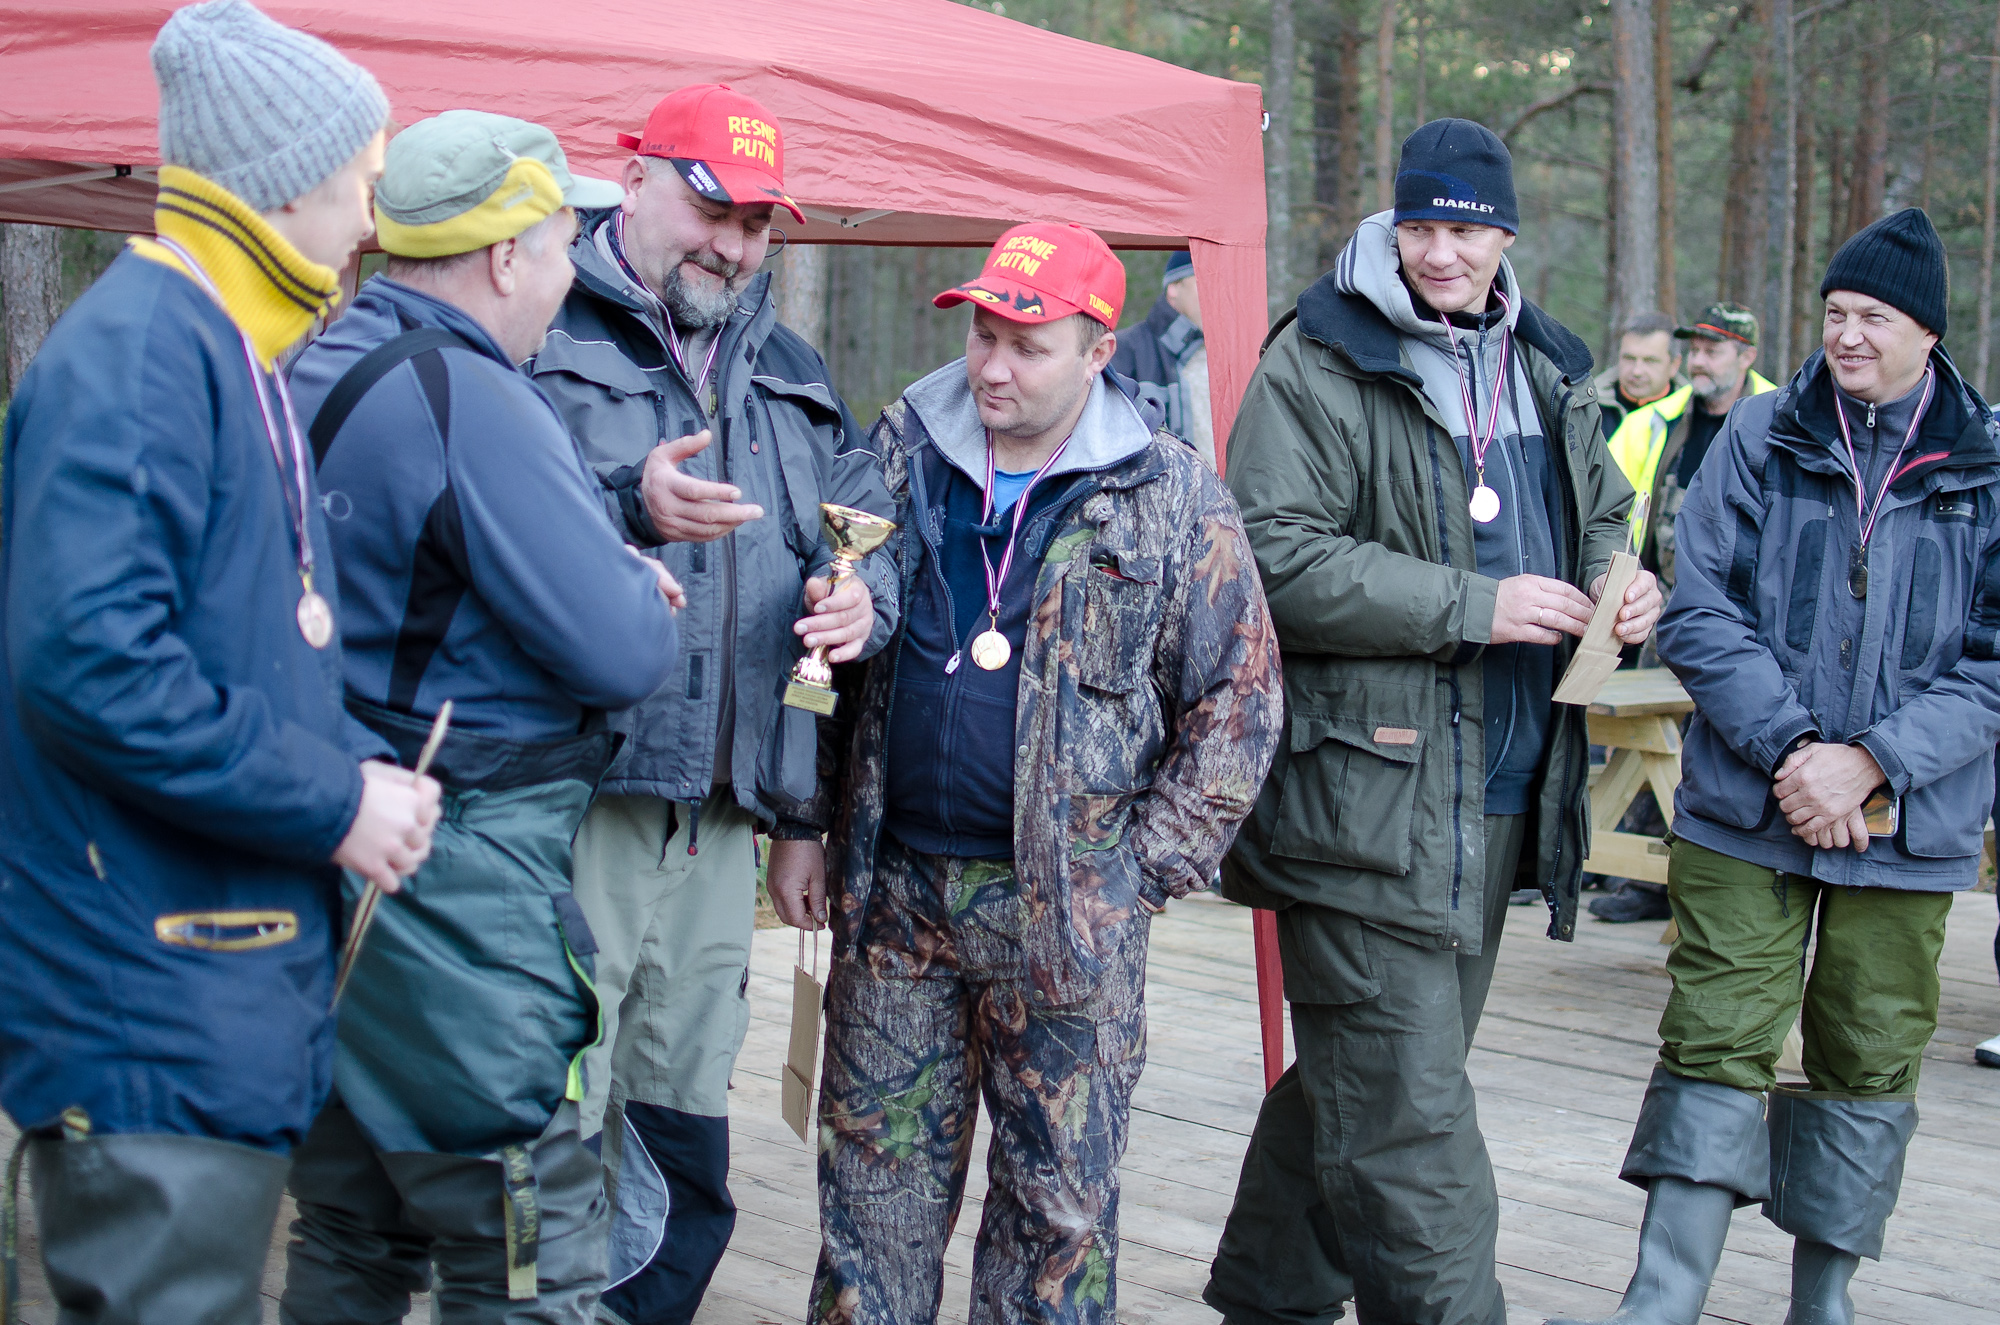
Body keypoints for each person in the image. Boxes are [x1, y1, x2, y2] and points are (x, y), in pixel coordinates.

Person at [0, 4, 431, 1322]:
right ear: (291, 183)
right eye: (362, 188)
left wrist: (348, 770)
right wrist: (338, 801)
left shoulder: (216, 351)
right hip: (149, 1000)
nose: (369, 225)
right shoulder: (142, 355)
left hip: (204, 990)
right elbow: (91, 671)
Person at [1204, 118, 1661, 1325]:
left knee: (1366, 1085)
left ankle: (1265, 1301)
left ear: (1502, 232)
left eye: (1461, 230)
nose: (1439, 254)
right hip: (1364, 802)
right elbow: (1270, 557)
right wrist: (1474, 603)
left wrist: (1625, 576)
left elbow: (1606, 507)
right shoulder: (1317, 357)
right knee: (1407, 1121)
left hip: (1500, 797)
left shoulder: (1549, 363)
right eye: (1418, 227)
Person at [792, 221, 1281, 1323]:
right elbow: (827, 632)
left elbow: (1238, 707)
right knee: (869, 1209)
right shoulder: (903, 450)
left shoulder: (1169, 495)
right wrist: (804, 820)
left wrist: (1133, 873)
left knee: (1054, 1223)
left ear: (1098, 348)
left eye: (1028, 343)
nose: (994, 366)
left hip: (1064, 918)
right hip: (896, 899)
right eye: (981, 334)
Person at [1552, 208, 2000, 1325]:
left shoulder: (1985, 465)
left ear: (1925, 335)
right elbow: (1697, 611)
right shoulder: (1760, 435)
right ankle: (1657, 1302)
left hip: (1902, 825)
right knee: (1713, 1034)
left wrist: (1870, 762)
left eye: (1872, 318)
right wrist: (1798, 754)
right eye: (1833, 313)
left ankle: (1824, 1303)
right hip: (1745, 808)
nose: (1845, 336)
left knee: (1868, 1048)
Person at [278, 112, 682, 1324]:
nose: (569, 274)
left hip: (333, 847)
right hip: (461, 881)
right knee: (523, 1248)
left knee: (349, 1225)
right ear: (507, 253)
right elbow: (622, 645)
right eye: (565, 240)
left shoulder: (316, 355)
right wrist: (628, 575)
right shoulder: (472, 396)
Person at [528, 83, 898, 1325]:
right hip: (568, 803)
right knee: (548, 1100)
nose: (733, 244)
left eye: (755, 222)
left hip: (725, 823)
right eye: (709, 206)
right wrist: (617, 498)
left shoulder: (792, 370)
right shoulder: (535, 328)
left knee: (679, 1106)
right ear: (630, 178)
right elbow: (463, 522)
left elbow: (860, 535)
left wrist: (864, 602)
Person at [1591, 302, 1779, 924]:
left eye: (1714, 349)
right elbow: (1609, 508)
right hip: (1665, 602)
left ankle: (1701, 878)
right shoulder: (1655, 424)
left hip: (1751, 614)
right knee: (1646, 733)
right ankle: (1641, 877)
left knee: (1721, 736)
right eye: (1694, 349)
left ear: (1746, 357)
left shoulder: (1780, 421)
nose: (1699, 360)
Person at [1109, 249, 1213, 466]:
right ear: (1174, 288)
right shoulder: (1121, 351)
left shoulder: (1235, 356)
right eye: (1205, 282)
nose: (1215, 294)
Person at [1595, 310, 1685, 439]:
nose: (1637, 371)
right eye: (1629, 358)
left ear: (1674, 365)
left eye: (1650, 361)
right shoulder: (1588, 407)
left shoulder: (1691, 415)